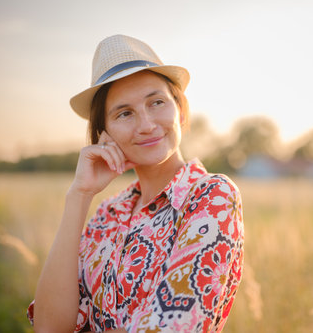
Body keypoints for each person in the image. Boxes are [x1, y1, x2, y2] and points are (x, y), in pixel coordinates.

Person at [28, 35, 244, 332]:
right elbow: (48, 327)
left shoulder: (211, 196)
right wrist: (79, 195)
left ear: (180, 110)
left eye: (156, 102)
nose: (146, 124)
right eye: (125, 113)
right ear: (105, 133)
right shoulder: (108, 213)